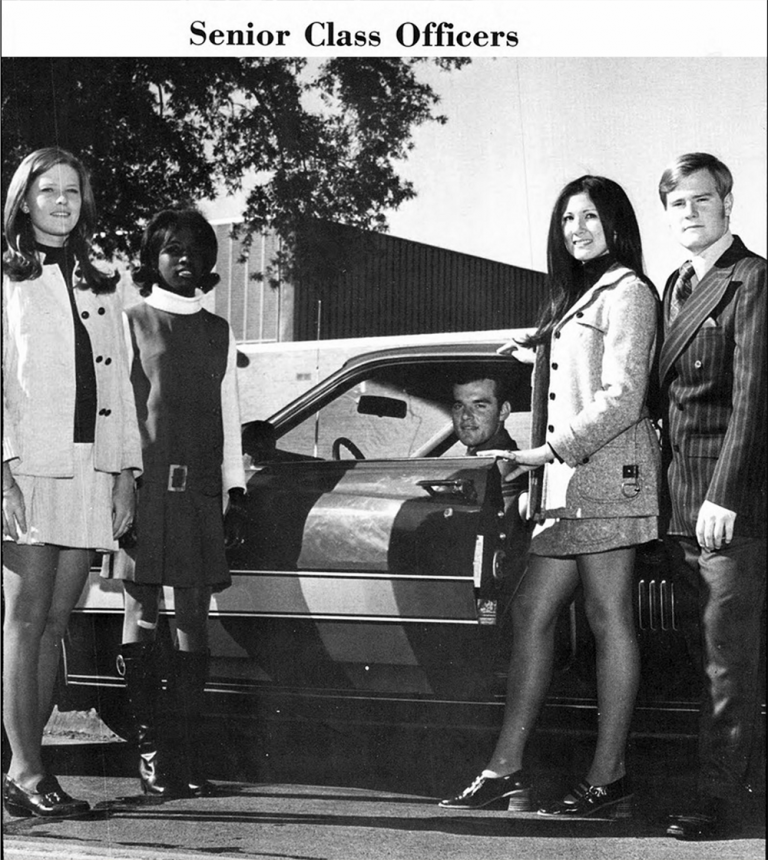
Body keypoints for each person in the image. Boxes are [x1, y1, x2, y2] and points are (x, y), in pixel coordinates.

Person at [440, 176, 660, 818]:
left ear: (615, 224)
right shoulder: (577, 296)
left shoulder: (629, 291)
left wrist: (546, 452)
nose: (577, 230)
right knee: (532, 612)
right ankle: (505, 768)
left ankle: (608, 776)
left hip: (608, 478)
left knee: (607, 617)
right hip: (567, 487)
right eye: (567, 219)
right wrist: (535, 353)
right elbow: (575, 374)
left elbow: (622, 396)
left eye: (589, 217)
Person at [2, 148, 141, 817]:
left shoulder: (103, 278)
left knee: (58, 621)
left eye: (73, 191)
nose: (61, 202)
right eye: (47, 190)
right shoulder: (6, 276)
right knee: (24, 620)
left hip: (91, 462)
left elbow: (122, 384)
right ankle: (30, 771)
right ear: (23, 200)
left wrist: (124, 472)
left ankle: (23, 771)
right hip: (26, 466)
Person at [105, 208, 246, 798]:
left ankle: (185, 757)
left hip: (201, 493)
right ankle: (151, 756)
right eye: (171, 248)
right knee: (141, 613)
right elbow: (118, 413)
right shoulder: (131, 320)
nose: (185, 257)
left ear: (209, 259)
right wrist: (121, 490)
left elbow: (229, 414)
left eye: (195, 248)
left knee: (194, 620)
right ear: (153, 258)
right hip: (147, 490)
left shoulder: (219, 330)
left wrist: (235, 490)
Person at [656, 153, 766, 841]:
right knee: (698, 656)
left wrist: (725, 495)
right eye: (678, 203)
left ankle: (723, 800)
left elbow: (755, 398)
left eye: (702, 200)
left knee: (728, 661)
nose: (690, 213)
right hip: (676, 501)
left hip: (729, 507)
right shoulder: (675, 285)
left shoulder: (752, 279)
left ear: (727, 204)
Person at [451, 375, 526, 519]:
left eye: (479, 406)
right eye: (459, 406)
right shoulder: (476, 463)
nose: (465, 416)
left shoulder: (503, 467)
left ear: (503, 411)